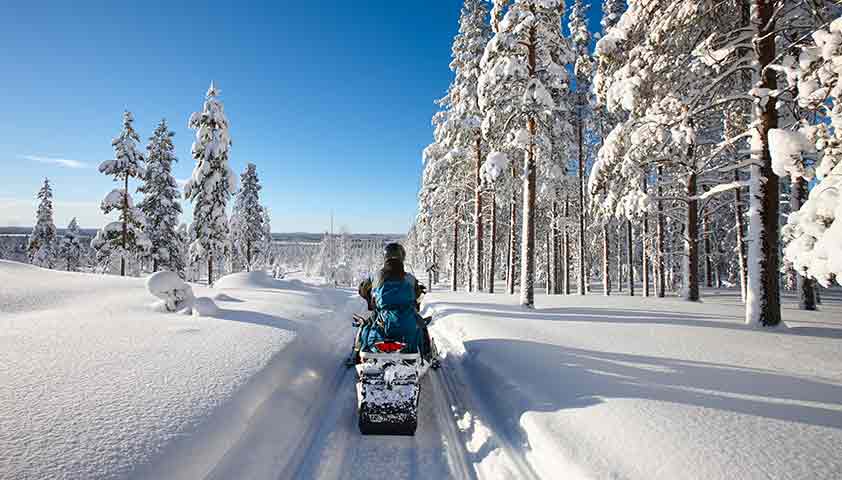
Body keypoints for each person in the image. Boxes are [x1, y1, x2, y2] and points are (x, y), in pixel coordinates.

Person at [350, 242, 433, 365]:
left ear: (385, 257)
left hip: (382, 316)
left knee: (365, 326)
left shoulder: (376, 276)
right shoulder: (410, 278)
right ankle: (428, 355)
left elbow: (363, 289)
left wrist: (369, 298)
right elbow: (417, 293)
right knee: (422, 326)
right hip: (407, 316)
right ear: (402, 257)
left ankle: (356, 355)